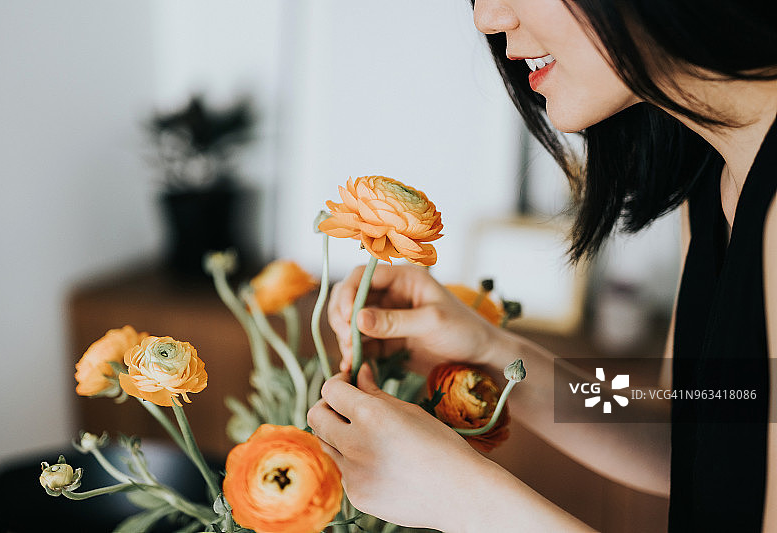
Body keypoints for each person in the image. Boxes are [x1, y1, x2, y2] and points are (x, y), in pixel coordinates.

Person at [306, 0, 777, 530]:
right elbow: (696, 435)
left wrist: (465, 499)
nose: (487, 18)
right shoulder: (719, 173)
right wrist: (493, 352)